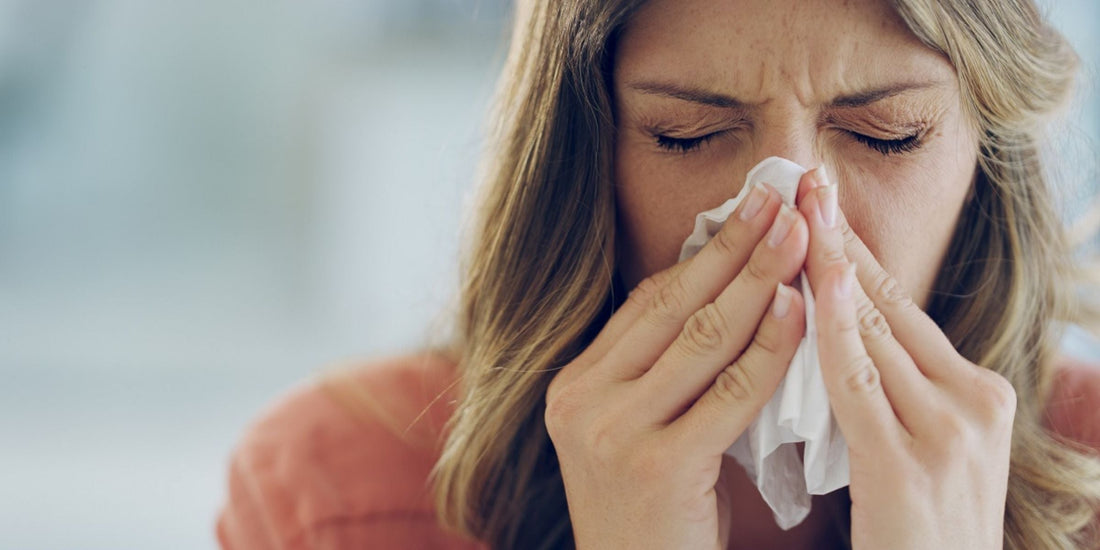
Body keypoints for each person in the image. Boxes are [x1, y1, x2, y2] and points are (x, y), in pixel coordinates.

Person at [216, 0, 1100, 548]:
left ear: (987, 153)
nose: (794, 226)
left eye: (888, 134)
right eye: (688, 136)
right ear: (582, 156)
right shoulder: (341, 495)